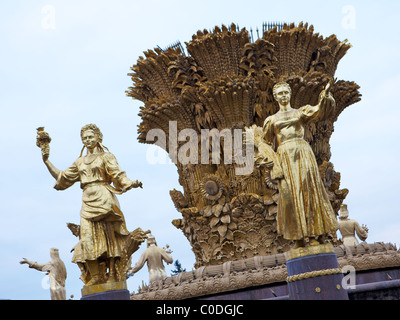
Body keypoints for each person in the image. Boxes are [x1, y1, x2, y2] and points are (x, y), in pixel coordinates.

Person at [40, 124, 143, 286]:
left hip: (104, 197)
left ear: (98, 138)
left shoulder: (106, 157)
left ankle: (112, 275)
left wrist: (130, 183)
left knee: (109, 237)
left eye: (90, 137)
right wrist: (46, 161)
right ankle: (95, 276)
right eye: (84, 138)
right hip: (87, 199)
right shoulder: (79, 162)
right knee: (87, 238)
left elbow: (118, 175)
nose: (87, 140)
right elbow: (62, 178)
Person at [260, 82, 338, 248]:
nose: (283, 96)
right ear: (275, 97)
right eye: (280, 93)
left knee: (309, 191)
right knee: (289, 196)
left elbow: (319, 110)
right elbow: (265, 143)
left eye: (285, 93)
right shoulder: (271, 120)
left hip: (302, 152)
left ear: (290, 94)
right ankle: (298, 237)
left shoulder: (300, 112)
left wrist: (325, 95)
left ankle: (316, 233)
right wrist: (269, 160)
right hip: (284, 156)